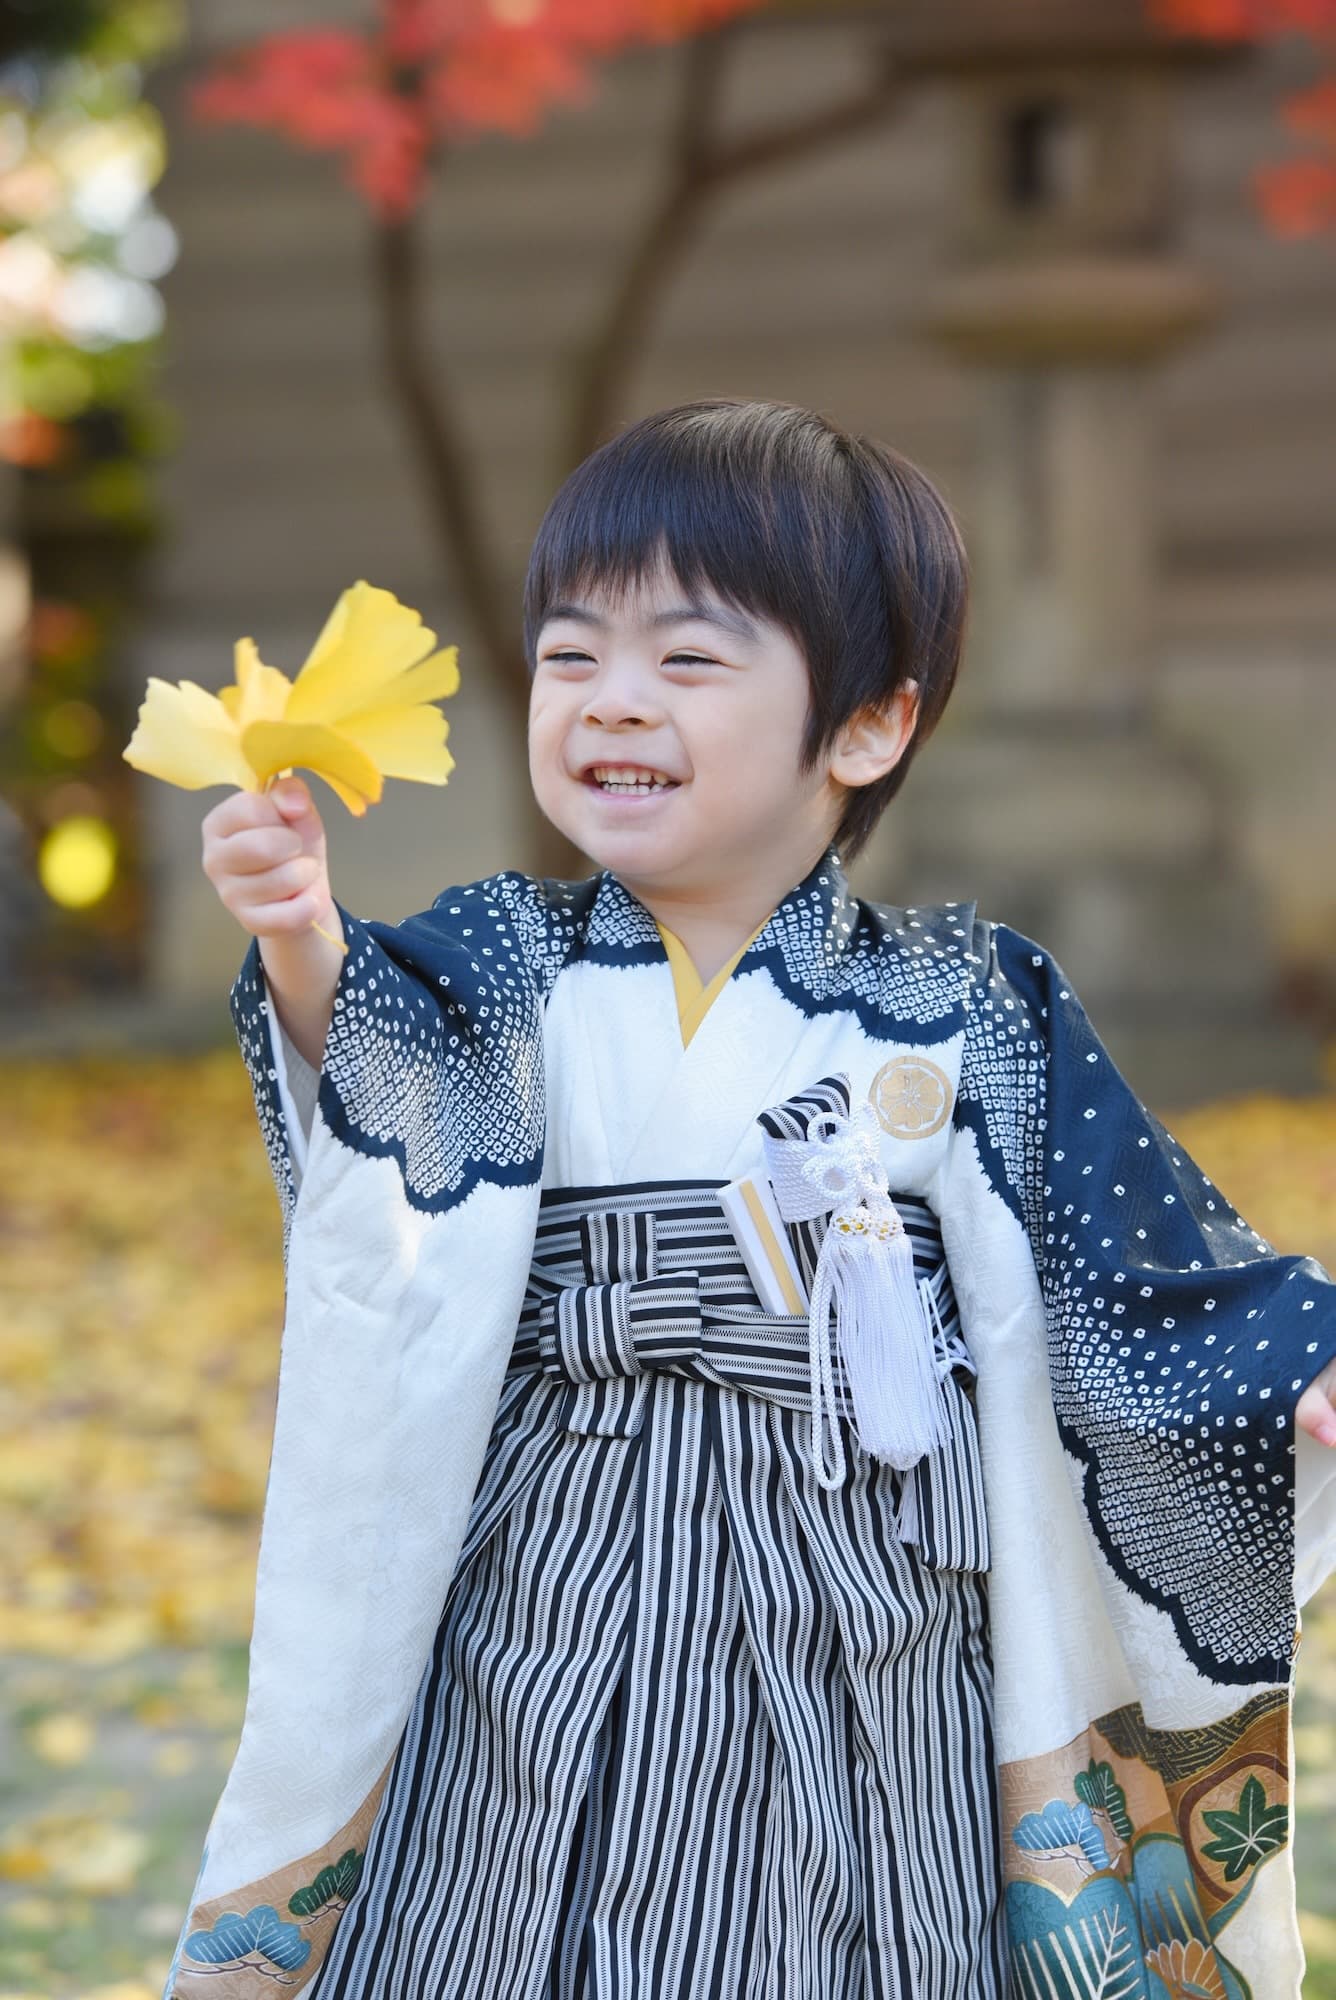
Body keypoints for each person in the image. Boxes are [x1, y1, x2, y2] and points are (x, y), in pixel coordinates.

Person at [165, 400, 1336, 2000]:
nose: (609, 703)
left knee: (853, 1915)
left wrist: (1294, 1365)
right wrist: (304, 938)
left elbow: (1134, 1260)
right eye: (572, 658)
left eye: (688, 663)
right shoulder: (508, 961)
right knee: (507, 1891)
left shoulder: (962, 998)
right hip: (553, 1563)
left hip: (862, 1591)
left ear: (865, 726)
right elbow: (390, 1106)